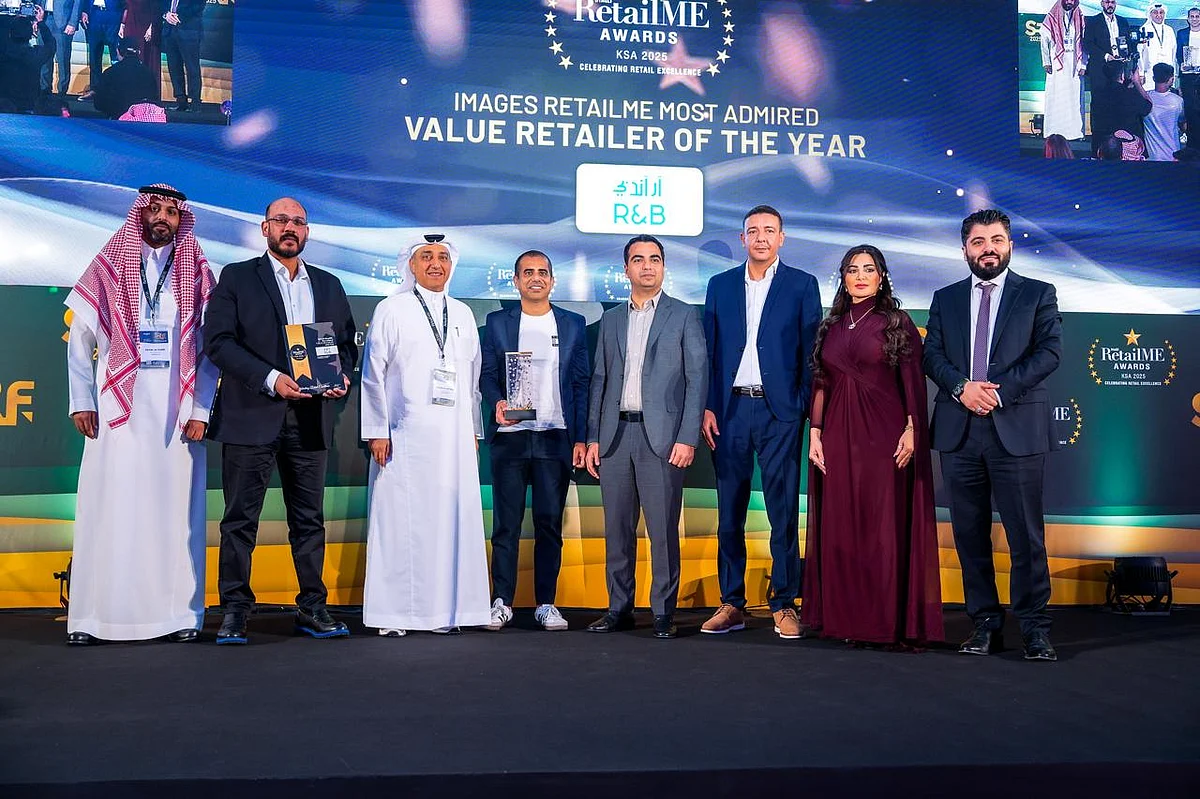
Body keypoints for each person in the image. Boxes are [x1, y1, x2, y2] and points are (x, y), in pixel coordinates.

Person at [64, 184, 217, 645]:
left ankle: (178, 616)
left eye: (172, 211)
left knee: (176, 513)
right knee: (109, 506)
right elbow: (80, 338)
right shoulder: (110, 265)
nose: (163, 217)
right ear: (140, 214)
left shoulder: (196, 270)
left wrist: (200, 408)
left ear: (181, 219)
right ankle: (93, 618)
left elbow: (210, 350)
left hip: (176, 414)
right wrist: (82, 399)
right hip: (119, 410)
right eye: (155, 209)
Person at [204, 197, 357, 645]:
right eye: (281, 220)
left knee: (309, 520)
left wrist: (341, 377)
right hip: (252, 413)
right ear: (265, 228)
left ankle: (313, 607)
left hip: (311, 418)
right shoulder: (237, 277)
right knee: (240, 520)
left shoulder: (329, 284)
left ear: (307, 232)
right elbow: (219, 342)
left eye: (298, 222)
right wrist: (272, 379)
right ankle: (235, 610)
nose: (290, 228)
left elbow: (345, 347)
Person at [923, 209, 1063, 662]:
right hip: (960, 430)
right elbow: (932, 355)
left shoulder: (1038, 293)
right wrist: (962, 388)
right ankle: (984, 624)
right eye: (979, 241)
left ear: (1010, 245)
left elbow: (1049, 352)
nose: (988, 249)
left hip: (1016, 428)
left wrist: (996, 393)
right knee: (969, 536)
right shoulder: (945, 298)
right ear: (965, 249)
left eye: (996, 240)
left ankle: (1035, 629)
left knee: (1026, 537)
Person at [801, 245, 943, 648]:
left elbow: (912, 382)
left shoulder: (897, 322)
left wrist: (913, 428)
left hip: (884, 438)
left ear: (881, 277)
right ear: (843, 278)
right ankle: (847, 620)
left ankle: (883, 623)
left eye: (868, 269)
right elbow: (821, 382)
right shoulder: (831, 325)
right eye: (852, 269)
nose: (860, 276)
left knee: (882, 530)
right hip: (837, 438)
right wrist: (815, 432)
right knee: (842, 529)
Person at [699, 205, 821, 639]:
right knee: (728, 514)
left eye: (770, 230)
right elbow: (709, 353)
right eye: (753, 231)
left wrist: (801, 407)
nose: (762, 237)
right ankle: (731, 603)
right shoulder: (720, 285)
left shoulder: (802, 285)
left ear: (781, 238)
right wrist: (707, 406)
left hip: (779, 413)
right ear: (743, 238)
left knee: (782, 513)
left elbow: (811, 354)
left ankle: (784, 602)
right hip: (729, 412)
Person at [360, 235, 491, 636]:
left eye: (443, 257)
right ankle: (394, 615)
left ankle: (445, 613)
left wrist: (473, 431)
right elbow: (373, 374)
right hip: (404, 436)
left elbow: (472, 381)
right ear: (412, 266)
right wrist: (377, 431)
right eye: (427, 257)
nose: (436, 264)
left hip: (454, 440)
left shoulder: (463, 313)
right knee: (402, 521)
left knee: (450, 521)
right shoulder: (391, 309)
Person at [584, 235, 707, 640]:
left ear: (663, 267)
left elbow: (697, 379)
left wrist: (688, 437)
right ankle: (618, 608)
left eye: (654, 259)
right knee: (617, 531)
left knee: (662, 532)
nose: (647, 266)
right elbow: (599, 379)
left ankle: (663, 612)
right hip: (615, 436)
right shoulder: (611, 320)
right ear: (626, 269)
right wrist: (593, 437)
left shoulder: (684, 315)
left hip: (664, 440)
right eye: (638, 259)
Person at [479, 250, 589, 632]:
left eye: (543, 272)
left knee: (549, 525)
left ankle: (546, 603)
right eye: (528, 272)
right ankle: (501, 602)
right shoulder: (498, 323)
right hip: (511, 437)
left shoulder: (573, 324)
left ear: (553, 281)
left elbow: (581, 384)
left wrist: (581, 438)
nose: (536, 278)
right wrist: (497, 401)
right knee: (506, 525)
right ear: (516, 281)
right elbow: (487, 374)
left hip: (555, 437)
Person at [1085, 0, 1135, 152]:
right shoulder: (1093, 21)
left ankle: (1119, 144)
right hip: (1100, 70)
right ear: (1102, 3)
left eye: (1112, 2)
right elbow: (1088, 44)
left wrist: (1126, 56)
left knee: (1119, 104)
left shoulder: (1123, 21)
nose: (1110, 5)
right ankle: (1097, 147)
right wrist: (1106, 56)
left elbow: (1128, 43)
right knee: (1099, 106)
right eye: (1107, 2)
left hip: (1120, 69)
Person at [1040, 0, 1087, 140]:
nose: (1069, 2)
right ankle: (1053, 131)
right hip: (1057, 65)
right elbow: (1044, 39)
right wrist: (1046, 62)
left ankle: (1075, 133)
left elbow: (1085, 43)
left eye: (1072, 0)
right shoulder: (1052, 16)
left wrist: (1083, 64)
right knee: (1057, 97)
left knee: (1075, 99)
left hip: (1075, 65)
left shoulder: (1079, 17)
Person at [0, 8, 55, 113]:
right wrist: (41, 22)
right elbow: (51, 45)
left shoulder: (3, 54)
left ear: (10, 34)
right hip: (28, 106)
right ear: (31, 35)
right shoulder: (36, 55)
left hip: (4, 105)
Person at [1090, 59, 1153, 150]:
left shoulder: (1097, 94)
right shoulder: (1129, 94)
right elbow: (1147, 107)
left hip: (1103, 146)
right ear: (1122, 75)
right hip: (1127, 147)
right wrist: (1137, 83)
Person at [92, 42, 155, 118]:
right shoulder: (149, 74)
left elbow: (99, 104)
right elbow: (154, 100)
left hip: (116, 120)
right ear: (139, 52)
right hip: (143, 121)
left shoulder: (110, 72)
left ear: (118, 51)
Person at [161, 0, 203, 111]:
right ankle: (181, 101)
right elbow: (161, 3)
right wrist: (166, 14)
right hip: (170, 31)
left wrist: (178, 16)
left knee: (192, 68)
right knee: (174, 68)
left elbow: (198, 5)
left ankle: (195, 102)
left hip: (189, 31)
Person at [80, 0, 124, 101]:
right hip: (94, 14)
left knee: (115, 57)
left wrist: (123, 21)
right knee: (94, 57)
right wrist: (84, 10)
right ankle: (95, 90)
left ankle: (116, 91)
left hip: (113, 16)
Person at [40, 0, 83, 97]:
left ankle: (62, 93)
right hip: (43, 19)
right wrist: (35, 19)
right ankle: (44, 91)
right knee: (44, 58)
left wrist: (73, 22)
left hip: (64, 22)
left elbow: (78, 2)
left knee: (63, 59)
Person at [1144, 62, 1187, 158]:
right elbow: (1183, 125)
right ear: (1171, 80)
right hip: (1173, 155)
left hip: (1153, 156)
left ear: (1153, 78)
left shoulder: (1145, 99)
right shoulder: (1178, 101)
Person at [121, 0, 161, 98]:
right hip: (131, 25)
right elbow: (126, 6)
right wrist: (122, 24)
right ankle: (131, 95)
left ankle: (148, 96)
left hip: (147, 25)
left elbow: (158, 6)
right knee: (131, 60)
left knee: (147, 61)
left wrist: (152, 26)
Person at [1139, 3, 1178, 90]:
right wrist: (1141, 73)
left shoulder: (1169, 30)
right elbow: (1139, 53)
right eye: (1155, 12)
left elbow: (1174, 53)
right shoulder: (1143, 29)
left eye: (1161, 12)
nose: (1159, 15)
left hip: (1167, 71)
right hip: (1150, 72)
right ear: (1150, 14)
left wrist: (1173, 73)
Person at [1177, 6, 1200, 146]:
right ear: (1188, 19)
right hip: (1188, 77)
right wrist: (1182, 64)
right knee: (1190, 109)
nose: (1195, 19)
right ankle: (1191, 143)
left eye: (1197, 16)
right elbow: (1178, 54)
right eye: (1192, 16)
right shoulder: (1182, 34)